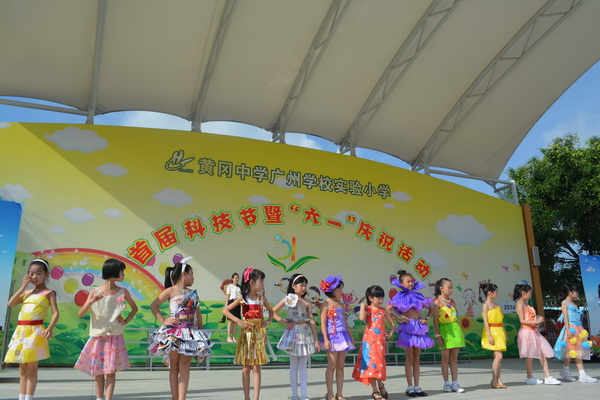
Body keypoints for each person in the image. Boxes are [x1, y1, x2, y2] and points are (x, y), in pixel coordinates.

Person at [148, 257, 213, 400]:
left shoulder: (193, 293)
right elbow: (154, 305)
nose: (193, 278)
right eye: (191, 274)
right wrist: (164, 320)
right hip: (173, 333)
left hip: (190, 334)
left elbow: (198, 315)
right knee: (174, 366)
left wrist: (200, 338)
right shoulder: (170, 291)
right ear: (184, 274)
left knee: (184, 365)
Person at [74, 258, 139, 400]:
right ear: (113, 272)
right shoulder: (95, 291)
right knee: (98, 371)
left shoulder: (122, 291)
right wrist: (91, 301)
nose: (123, 274)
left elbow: (134, 308)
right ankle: (99, 398)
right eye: (122, 271)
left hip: (114, 336)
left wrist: (125, 321)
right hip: (98, 336)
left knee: (111, 371)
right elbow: (81, 313)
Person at [4, 258, 59, 400]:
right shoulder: (27, 292)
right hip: (21, 332)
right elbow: (10, 303)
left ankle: (28, 398)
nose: (34, 277)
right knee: (22, 368)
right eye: (31, 273)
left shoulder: (49, 293)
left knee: (32, 368)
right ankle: (21, 397)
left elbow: (55, 313)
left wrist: (50, 328)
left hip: (35, 333)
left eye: (39, 273)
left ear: (46, 275)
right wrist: (23, 287)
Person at [222, 267, 274, 400]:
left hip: (258, 336)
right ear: (252, 282)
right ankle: (247, 397)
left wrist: (268, 321)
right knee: (246, 368)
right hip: (246, 336)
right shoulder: (242, 298)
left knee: (257, 368)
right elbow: (225, 311)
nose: (263, 284)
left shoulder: (261, 298)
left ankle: (256, 398)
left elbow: (271, 311)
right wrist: (238, 321)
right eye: (261, 281)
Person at [273, 273, 320, 400]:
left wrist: (316, 340)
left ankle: (304, 395)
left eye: (305, 285)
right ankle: (295, 395)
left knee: (303, 366)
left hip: (305, 333)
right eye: (301, 285)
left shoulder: (307, 302)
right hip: (292, 333)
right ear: (293, 286)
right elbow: (272, 311)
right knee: (293, 365)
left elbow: (311, 321)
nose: (304, 288)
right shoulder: (288, 299)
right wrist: (284, 322)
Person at [387, 270, 433, 397]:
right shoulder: (399, 296)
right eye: (408, 281)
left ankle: (417, 386)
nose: (411, 283)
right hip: (408, 328)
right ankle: (409, 387)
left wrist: (426, 318)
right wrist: (398, 320)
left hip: (418, 327)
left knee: (417, 358)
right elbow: (387, 310)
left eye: (412, 281)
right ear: (401, 283)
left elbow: (431, 308)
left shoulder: (418, 296)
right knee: (410, 357)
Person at [352, 285, 394, 399]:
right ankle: (375, 390)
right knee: (370, 366)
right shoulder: (367, 309)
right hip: (368, 342)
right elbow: (361, 318)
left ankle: (381, 385)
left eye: (382, 298)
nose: (381, 300)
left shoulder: (384, 310)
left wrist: (390, 333)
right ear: (371, 298)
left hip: (380, 342)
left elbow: (392, 324)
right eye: (378, 298)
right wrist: (362, 306)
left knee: (378, 365)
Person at [513, 283, 560, 385]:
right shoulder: (520, 304)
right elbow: (522, 320)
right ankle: (529, 377)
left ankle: (548, 376)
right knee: (529, 355)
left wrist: (537, 324)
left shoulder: (526, 304)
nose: (530, 295)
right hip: (526, 332)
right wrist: (536, 322)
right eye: (529, 293)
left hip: (534, 331)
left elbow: (530, 319)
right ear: (523, 293)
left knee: (542, 353)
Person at [552, 283, 596, 383]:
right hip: (571, 328)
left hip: (578, 328)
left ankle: (573, 372)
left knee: (576, 351)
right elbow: (566, 318)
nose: (577, 293)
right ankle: (574, 373)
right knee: (572, 351)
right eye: (576, 291)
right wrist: (568, 330)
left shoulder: (574, 303)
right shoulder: (564, 303)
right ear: (571, 292)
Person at [320, 275, 355, 400]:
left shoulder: (340, 304)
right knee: (332, 365)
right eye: (340, 289)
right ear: (333, 290)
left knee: (340, 365)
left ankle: (339, 394)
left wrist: (350, 336)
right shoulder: (325, 304)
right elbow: (323, 323)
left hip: (343, 336)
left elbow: (344, 321)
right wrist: (325, 339)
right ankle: (330, 393)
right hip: (332, 337)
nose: (342, 291)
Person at [432, 278, 466, 393]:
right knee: (445, 358)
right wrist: (438, 335)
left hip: (454, 330)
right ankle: (446, 383)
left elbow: (455, 316)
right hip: (444, 331)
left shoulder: (452, 302)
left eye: (452, 288)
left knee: (454, 358)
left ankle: (455, 383)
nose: (451, 290)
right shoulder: (437, 302)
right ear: (441, 288)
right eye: (449, 287)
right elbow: (435, 320)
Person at [480, 282, 506, 389]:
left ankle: (498, 379)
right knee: (499, 356)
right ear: (490, 293)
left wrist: (504, 333)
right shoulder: (486, 305)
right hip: (492, 331)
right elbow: (486, 322)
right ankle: (494, 379)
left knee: (497, 357)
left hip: (499, 332)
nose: (497, 294)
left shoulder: (497, 306)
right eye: (496, 292)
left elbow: (501, 321)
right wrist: (489, 335)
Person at [224, 273, 242, 342]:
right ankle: (229, 337)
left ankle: (233, 336)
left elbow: (240, 297)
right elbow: (228, 296)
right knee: (231, 321)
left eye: (238, 278)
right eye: (236, 278)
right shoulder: (230, 286)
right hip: (231, 303)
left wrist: (241, 306)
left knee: (236, 321)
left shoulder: (239, 287)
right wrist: (226, 305)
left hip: (238, 303)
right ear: (232, 279)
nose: (237, 279)